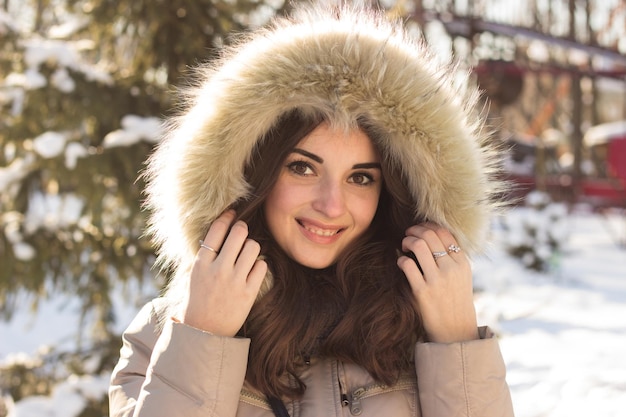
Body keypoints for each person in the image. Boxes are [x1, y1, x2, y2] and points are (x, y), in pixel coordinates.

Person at [109, 3, 514, 417]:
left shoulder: (422, 329)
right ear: (252, 175)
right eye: (302, 168)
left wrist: (457, 342)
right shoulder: (166, 332)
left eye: (360, 178)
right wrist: (204, 335)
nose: (331, 205)